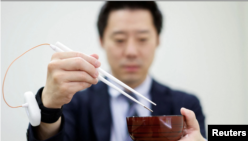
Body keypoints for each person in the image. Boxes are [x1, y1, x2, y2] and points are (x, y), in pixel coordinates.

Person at [27, 1, 206, 141]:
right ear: (102, 40)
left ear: (157, 40)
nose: (131, 52)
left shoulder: (184, 106)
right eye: (120, 39)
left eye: (142, 39)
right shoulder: (76, 102)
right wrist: (50, 107)